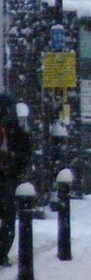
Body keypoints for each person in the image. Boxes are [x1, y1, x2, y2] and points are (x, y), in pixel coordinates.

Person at [0, 93, 33, 267]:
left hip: (7, 176)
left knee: (8, 213)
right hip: (7, 175)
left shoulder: (16, 131)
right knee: (7, 214)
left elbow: (25, 151)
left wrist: (13, 166)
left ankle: (2, 252)